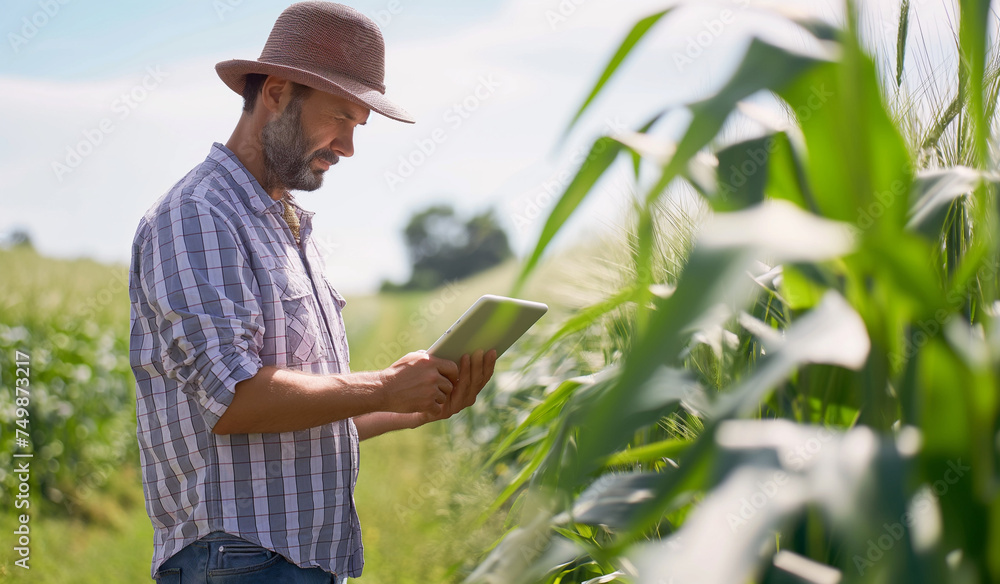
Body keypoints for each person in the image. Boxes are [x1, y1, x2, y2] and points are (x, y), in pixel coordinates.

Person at [128, 3, 498, 582]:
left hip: (291, 559)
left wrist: (406, 404)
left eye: (357, 126)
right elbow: (235, 399)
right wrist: (381, 383)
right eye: (341, 118)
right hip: (239, 561)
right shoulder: (199, 215)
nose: (348, 146)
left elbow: (302, 420)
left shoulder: (288, 225)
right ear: (276, 92)